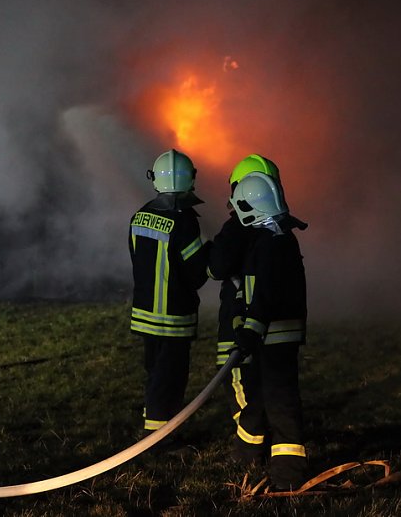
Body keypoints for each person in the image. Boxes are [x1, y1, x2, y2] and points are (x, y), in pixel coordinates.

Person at [226, 171, 309, 491]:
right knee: (260, 395)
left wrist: (251, 328)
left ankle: (288, 473)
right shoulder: (275, 237)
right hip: (269, 334)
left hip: (274, 334)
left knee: (280, 401)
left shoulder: (271, 243)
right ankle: (247, 454)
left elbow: (264, 293)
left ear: (249, 206)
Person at [129, 149, 209, 435]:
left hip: (145, 314)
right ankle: (160, 436)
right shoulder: (185, 221)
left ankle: (154, 419)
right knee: (171, 377)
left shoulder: (140, 216)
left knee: (155, 372)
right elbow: (197, 271)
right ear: (190, 179)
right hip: (174, 317)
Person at [207, 155, 283, 427]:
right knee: (270, 380)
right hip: (272, 325)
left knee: (236, 375)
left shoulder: (238, 227)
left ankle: (249, 437)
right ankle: (267, 430)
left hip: (238, 319)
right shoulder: (280, 230)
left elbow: (217, 268)